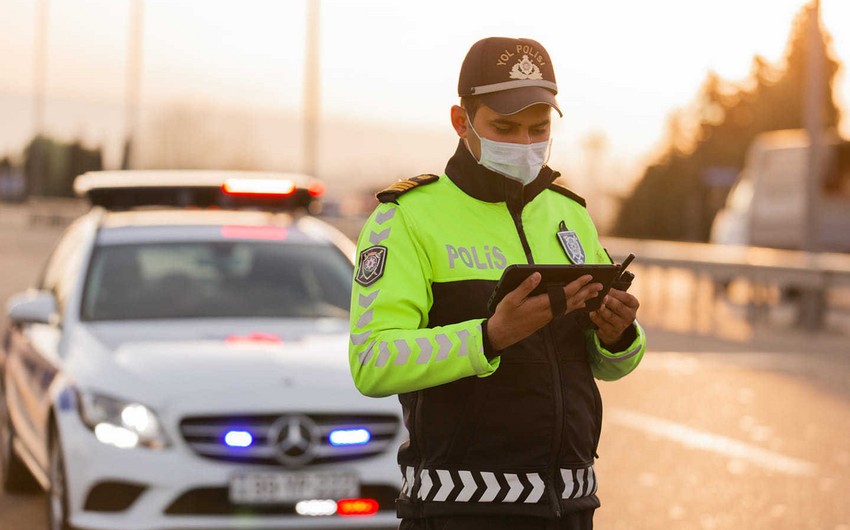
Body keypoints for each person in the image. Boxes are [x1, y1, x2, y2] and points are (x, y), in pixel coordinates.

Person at [348, 36, 646, 530]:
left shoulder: (569, 214)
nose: (525, 143)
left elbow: (609, 367)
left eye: (538, 128)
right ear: (461, 122)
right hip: (460, 509)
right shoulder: (404, 218)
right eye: (505, 127)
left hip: (570, 506)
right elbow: (372, 363)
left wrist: (618, 335)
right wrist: (488, 337)